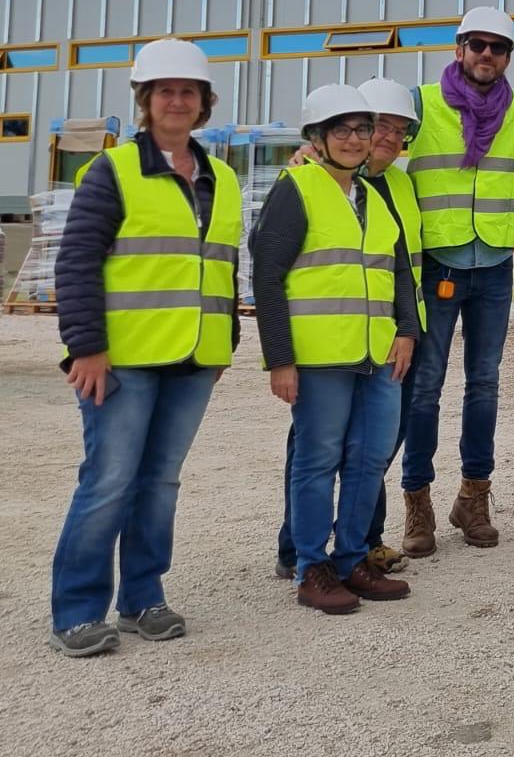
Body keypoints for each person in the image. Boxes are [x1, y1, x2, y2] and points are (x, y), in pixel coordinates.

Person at [49, 38, 241, 657]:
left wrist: (223, 344)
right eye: (166, 91)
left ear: (204, 103)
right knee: (108, 481)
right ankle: (77, 610)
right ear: (146, 101)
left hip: (193, 360)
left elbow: (222, 267)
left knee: (160, 482)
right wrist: (85, 347)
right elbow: (77, 260)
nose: (177, 101)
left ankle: (142, 598)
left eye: (189, 92)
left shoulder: (222, 178)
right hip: (124, 359)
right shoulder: (113, 170)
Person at [252, 84, 419, 614]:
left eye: (362, 129)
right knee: (318, 460)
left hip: (378, 355)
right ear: (316, 138)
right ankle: (310, 567)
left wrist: (407, 331)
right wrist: (279, 357)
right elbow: (268, 277)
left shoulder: (373, 195)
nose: (354, 139)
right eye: (340, 129)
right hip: (321, 357)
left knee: (369, 459)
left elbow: (399, 272)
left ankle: (352, 559)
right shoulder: (296, 188)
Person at [399, 6, 514, 556]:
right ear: (458, 48)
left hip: (491, 262)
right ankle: (417, 502)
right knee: (425, 387)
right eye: (477, 44)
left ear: (509, 57)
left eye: (498, 47)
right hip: (438, 259)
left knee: (484, 384)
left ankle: (474, 495)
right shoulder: (421, 101)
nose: (487, 55)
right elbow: (376, 137)